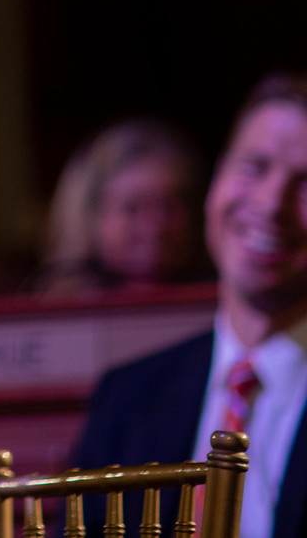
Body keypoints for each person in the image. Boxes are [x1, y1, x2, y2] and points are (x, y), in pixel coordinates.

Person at [75, 75, 307, 537]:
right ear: (218, 178)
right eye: (254, 166)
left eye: (306, 183)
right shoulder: (125, 399)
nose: (269, 203)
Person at [30, 118, 206, 295]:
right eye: (133, 207)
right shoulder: (56, 311)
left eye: (170, 206)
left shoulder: (215, 301)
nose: (155, 224)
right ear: (91, 214)